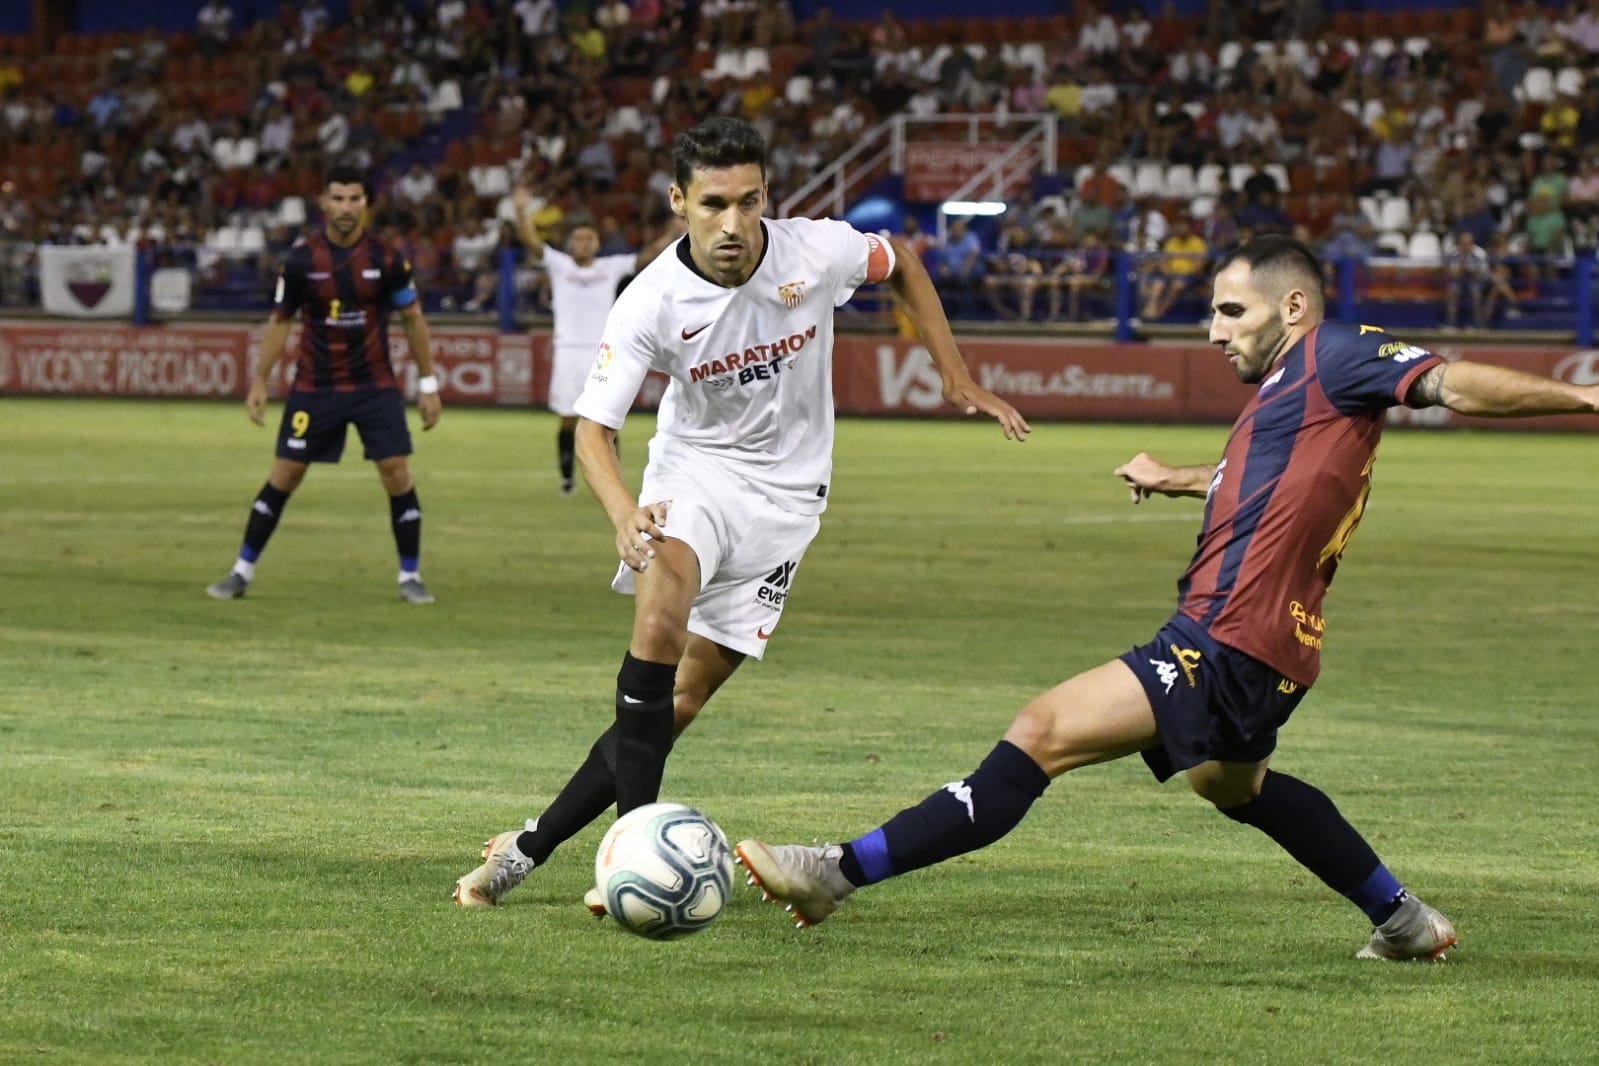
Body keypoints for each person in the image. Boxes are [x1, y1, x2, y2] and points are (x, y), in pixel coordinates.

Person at [736, 234, 1599, 960]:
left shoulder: (1333, 353)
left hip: (1225, 633)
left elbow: (1452, 382)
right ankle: (1402, 919)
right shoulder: (1292, 397)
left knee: (1040, 734)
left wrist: (1583, 395)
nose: (1212, 329)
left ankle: (835, 873)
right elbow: (1261, 484)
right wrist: (1178, 476)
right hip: (1277, 646)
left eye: (1232, 311)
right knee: (1231, 787)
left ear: (1291, 308)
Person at [452, 116, 1030, 908]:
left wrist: (955, 375)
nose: (732, 223)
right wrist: (623, 511)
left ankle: (531, 845)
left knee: (674, 706)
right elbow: (593, 430)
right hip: (695, 480)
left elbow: (903, 262)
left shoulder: (815, 251)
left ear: (767, 196)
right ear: (678, 201)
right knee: (657, 624)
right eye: (713, 203)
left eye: (748, 201)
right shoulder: (651, 299)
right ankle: (635, 855)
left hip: (788, 505)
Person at [206, 163, 443, 604]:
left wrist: (428, 382)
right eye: (338, 198)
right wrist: (260, 381)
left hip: (375, 386)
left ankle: (410, 576)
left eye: (355, 198)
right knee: (285, 474)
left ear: (367, 204)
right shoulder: (299, 260)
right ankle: (241, 570)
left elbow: (413, 319)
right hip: (315, 387)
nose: (346, 207)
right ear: (324, 203)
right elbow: (280, 322)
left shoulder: (388, 259)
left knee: (396, 473)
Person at [510, 181, 681, 495]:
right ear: (570, 244)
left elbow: (647, 255)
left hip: (603, 353)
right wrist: (521, 210)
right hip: (568, 351)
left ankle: (611, 482)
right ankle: (567, 479)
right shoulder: (559, 266)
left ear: (598, 244)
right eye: (578, 238)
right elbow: (531, 241)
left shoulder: (610, 267)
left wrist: (673, 231)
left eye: (589, 238)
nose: (584, 243)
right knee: (567, 419)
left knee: (609, 418)